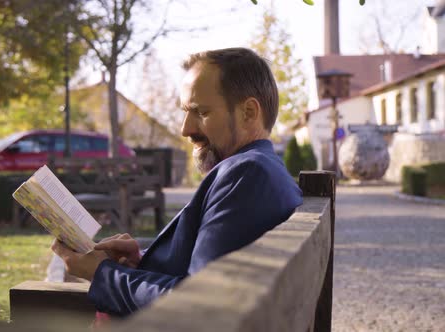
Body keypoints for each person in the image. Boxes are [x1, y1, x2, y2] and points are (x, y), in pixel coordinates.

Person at [52, 47, 303, 317]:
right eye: (186, 112)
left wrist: (101, 273)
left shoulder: (247, 173)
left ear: (249, 112)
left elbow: (198, 305)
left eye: (201, 112)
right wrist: (143, 257)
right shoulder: (263, 168)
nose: (186, 129)